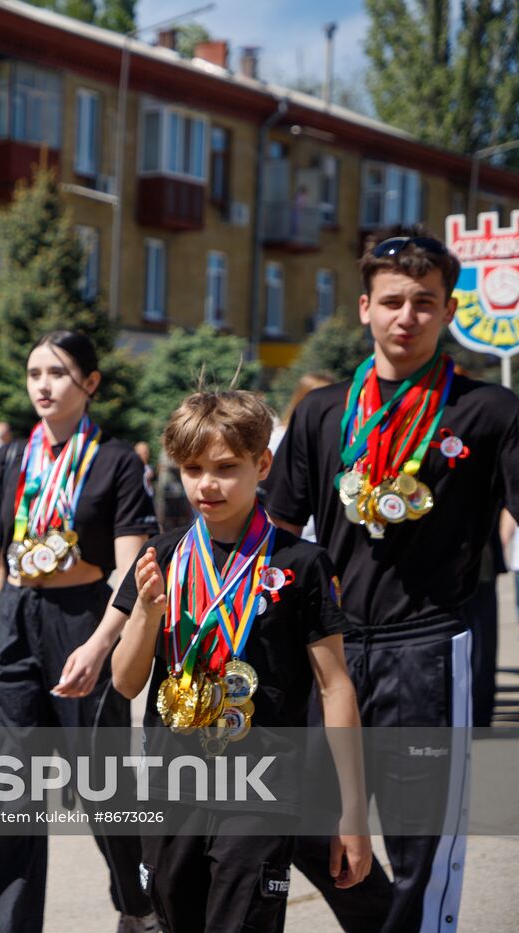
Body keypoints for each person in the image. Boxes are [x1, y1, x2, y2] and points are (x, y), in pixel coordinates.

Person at [266, 227, 519, 932]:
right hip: (333, 651)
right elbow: (280, 536)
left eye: (425, 302)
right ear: (364, 308)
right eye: (393, 301)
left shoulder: (489, 412)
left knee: (421, 848)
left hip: (431, 648)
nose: (407, 316)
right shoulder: (320, 413)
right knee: (308, 822)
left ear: (447, 311)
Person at [111, 389, 371, 932]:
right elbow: (126, 681)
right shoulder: (162, 556)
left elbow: (336, 688)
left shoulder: (302, 565)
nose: (207, 484)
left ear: (263, 464)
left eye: (227, 468)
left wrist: (352, 811)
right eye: (192, 468)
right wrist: (147, 614)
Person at [0, 331, 160, 933]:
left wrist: (102, 644)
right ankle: (0, 924)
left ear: (90, 383)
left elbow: (129, 568)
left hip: (85, 619)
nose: (42, 385)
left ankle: (140, 906)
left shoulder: (117, 461)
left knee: (103, 791)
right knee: (10, 789)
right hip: (15, 621)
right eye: (34, 374)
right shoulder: (13, 458)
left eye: (58, 373)